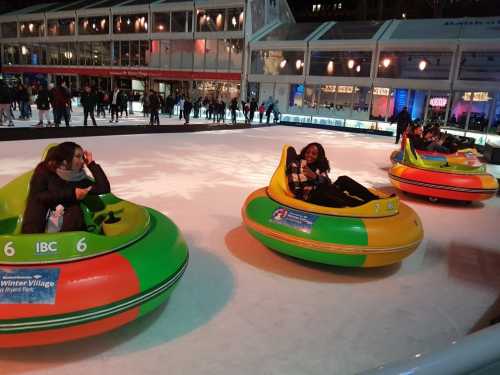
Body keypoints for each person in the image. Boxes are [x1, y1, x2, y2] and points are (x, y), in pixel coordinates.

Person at [22, 142, 111, 234]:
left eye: (82, 157)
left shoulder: (77, 177)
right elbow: (39, 196)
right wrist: (72, 194)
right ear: (65, 159)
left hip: (68, 229)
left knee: (74, 208)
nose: (82, 161)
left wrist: (91, 164)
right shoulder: (44, 170)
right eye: (78, 156)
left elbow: (103, 188)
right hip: (40, 226)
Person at [286, 143, 381, 208]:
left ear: (318, 156)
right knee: (326, 191)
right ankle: (362, 206)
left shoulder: (318, 166)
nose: (309, 155)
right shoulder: (296, 164)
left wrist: (315, 177)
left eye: (314, 154)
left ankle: (374, 200)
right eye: (307, 152)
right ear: (304, 152)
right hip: (312, 196)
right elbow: (295, 189)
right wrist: (311, 183)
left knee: (343, 179)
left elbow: (327, 182)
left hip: (326, 190)